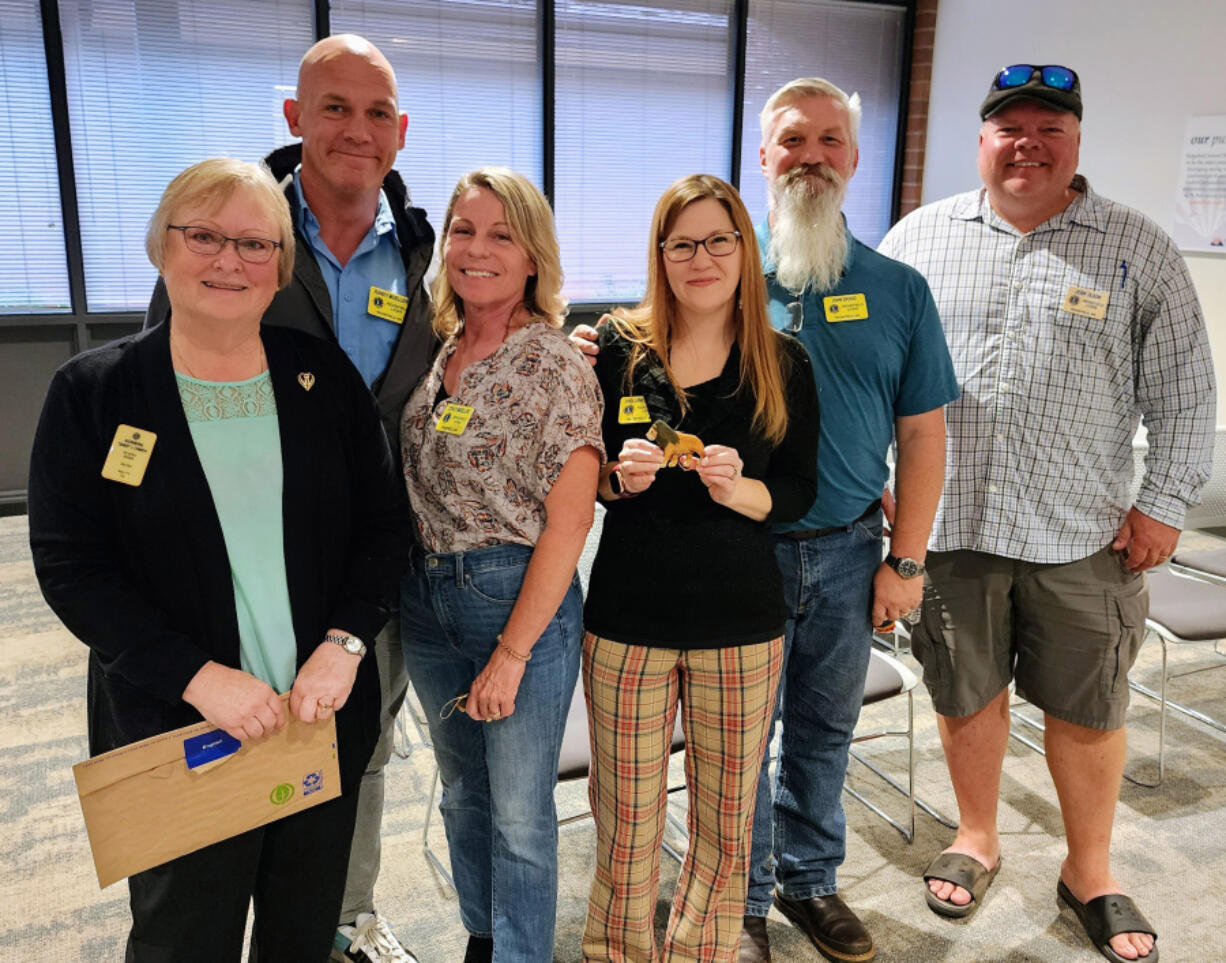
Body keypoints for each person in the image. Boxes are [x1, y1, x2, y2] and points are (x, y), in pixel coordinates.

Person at [569, 80, 957, 963]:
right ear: (765, 158)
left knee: (821, 730)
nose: (812, 154)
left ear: (854, 157)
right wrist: (585, 359)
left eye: (831, 139)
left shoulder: (889, 293)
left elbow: (920, 431)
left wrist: (910, 557)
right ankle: (735, 909)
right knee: (666, 793)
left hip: (848, 543)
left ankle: (809, 883)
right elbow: (591, 452)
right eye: (793, 140)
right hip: (690, 578)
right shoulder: (685, 306)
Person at [28, 158, 409, 962]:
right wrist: (200, 677)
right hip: (178, 726)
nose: (228, 260)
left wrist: (344, 646)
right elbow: (71, 568)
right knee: (181, 935)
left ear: (280, 267)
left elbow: (384, 530)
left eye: (253, 243)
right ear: (161, 247)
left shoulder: (322, 378)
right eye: (202, 235)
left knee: (301, 931)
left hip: (315, 719)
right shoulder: (94, 394)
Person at [879, 65, 1215, 963]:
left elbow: (1185, 393)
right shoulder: (918, 238)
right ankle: (978, 833)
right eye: (1008, 127)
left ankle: (1091, 869)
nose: (1027, 141)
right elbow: (872, 370)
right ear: (981, 140)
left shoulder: (1136, 247)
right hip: (948, 530)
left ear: (1075, 140)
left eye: (1048, 127)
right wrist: (876, 474)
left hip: (1083, 532)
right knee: (966, 691)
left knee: (1089, 706)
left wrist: (1165, 505)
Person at [144, 35, 434, 963]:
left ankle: (343, 915)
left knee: (360, 747)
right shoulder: (239, 230)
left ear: (400, 131)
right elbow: (164, 376)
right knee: (218, 744)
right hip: (239, 556)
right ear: (294, 119)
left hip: (371, 563)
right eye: (334, 107)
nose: (357, 129)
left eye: (376, 112)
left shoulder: (425, 253)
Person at [581, 173, 819, 963]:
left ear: (746, 249)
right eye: (682, 243)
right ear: (660, 255)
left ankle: (700, 954)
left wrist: (738, 485)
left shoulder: (784, 361)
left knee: (724, 820)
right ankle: (617, 951)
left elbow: (795, 490)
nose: (701, 257)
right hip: (628, 621)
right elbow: (586, 476)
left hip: (741, 624)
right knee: (627, 817)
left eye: (719, 239)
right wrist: (622, 478)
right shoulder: (616, 346)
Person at [399, 167, 604, 963]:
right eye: (462, 230)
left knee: (519, 811)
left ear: (531, 257)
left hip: (516, 599)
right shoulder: (440, 346)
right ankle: (485, 936)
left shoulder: (553, 362)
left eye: (499, 234)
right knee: (461, 793)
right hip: (427, 599)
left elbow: (570, 522)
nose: (475, 249)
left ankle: (522, 953)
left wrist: (513, 653)